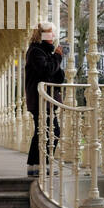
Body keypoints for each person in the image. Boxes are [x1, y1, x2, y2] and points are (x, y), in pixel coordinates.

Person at [25, 21, 65, 177]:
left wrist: (56, 58)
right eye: (50, 33)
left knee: (43, 131)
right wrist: (57, 57)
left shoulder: (46, 52)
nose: (53, 36)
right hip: (40, 99)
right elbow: (46, 71)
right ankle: (42, 165)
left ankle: (35, 166)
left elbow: (58, 76)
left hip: (46, 99)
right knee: (50, 131)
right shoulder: (35, 51)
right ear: (42, 35)